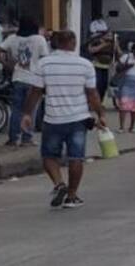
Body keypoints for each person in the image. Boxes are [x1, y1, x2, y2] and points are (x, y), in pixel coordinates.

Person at [21, 29, 106, 209]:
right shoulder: (85, 64)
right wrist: (101, 114)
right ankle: (72, 196)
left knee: (49, 156)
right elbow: (92, 94)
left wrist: (27, 113)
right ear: (74, 43)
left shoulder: (44, 64)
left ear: (56, 43)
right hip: (78, 119)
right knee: (76, 158)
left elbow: (35, 92)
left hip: (53, 119)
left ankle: (59, 184)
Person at [0, 17, 48, 148]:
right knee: (31, 110)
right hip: (34, 80)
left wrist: (6, 65)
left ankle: (13, 139)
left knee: (16, 110)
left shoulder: (12, 38)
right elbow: (44, 59)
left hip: (18, 78)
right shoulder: (39, 39)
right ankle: (27, 139)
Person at [115, 43, 135, 132]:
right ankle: (121, 127)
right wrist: (127, 66)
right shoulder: (126, 57)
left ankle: (132, 127)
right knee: (123, 105)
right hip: (125, 82)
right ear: (133, 50)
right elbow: (118, 68)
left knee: (134, 107)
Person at [86, 29, 117, 101]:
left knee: (104, 85)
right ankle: (94, 101)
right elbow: (92, 50)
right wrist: (103, 45)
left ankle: (100, 101)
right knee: (98, 84)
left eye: (111, 36)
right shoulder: (97, 42)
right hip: (97, 65)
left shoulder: (112, 44)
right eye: (108, 35)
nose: (109, 37)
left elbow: (118, 54)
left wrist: (116, 45)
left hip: (107, 67)